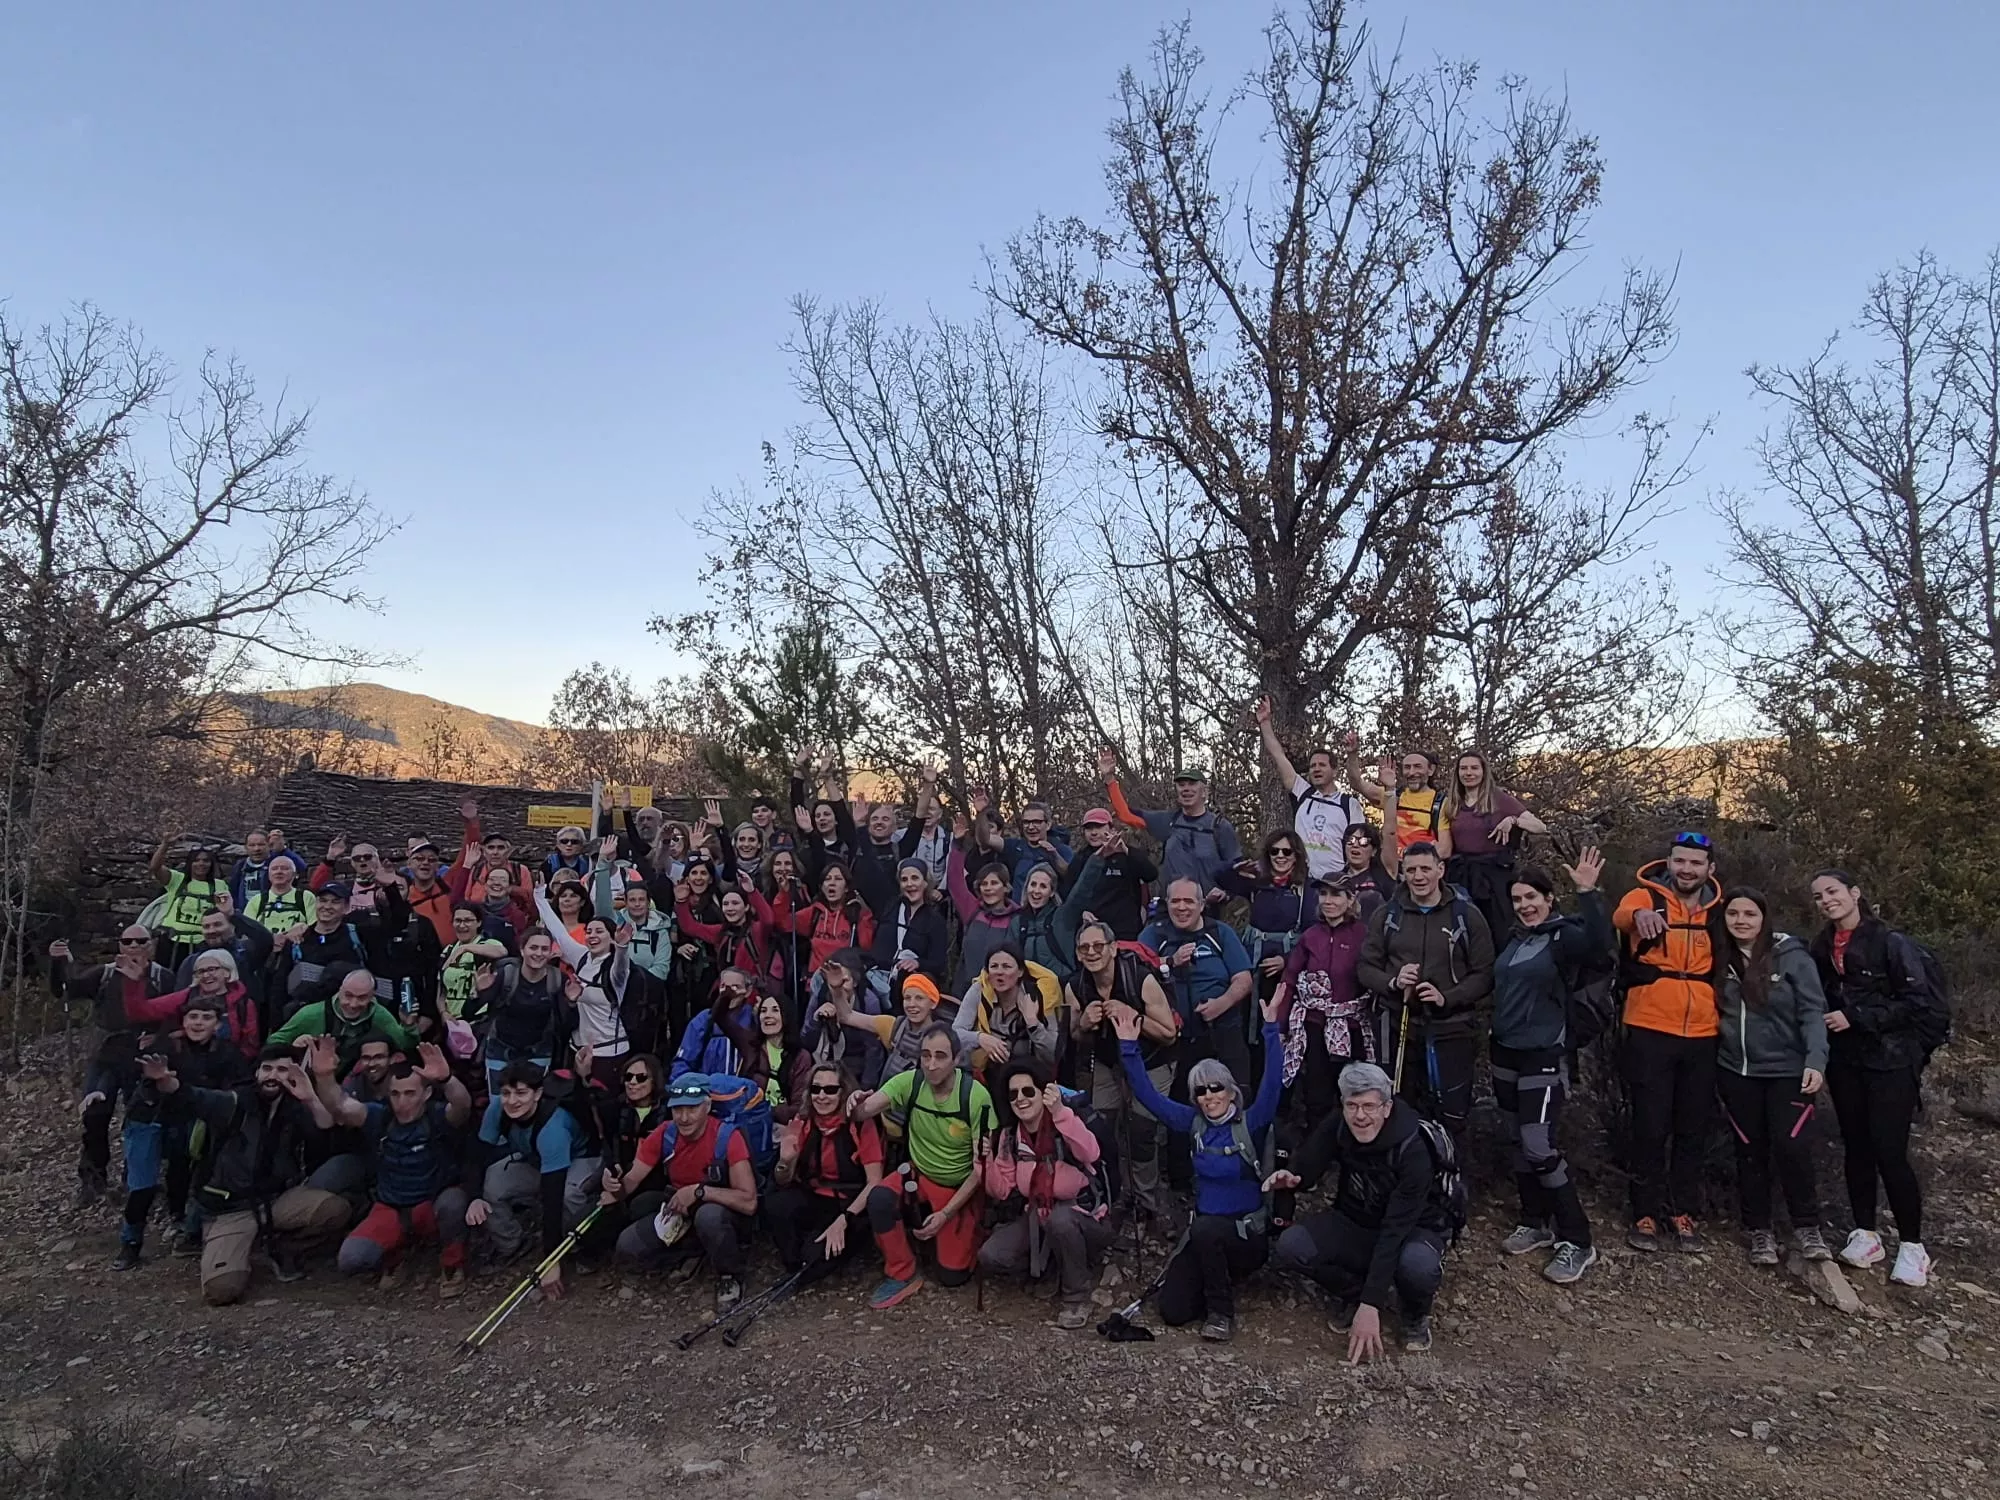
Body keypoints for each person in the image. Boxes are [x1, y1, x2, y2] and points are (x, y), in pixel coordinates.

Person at [1110, 989, 1283, 1341]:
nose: (1209, 1096)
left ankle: (1222, 1314)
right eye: (1200, 1091)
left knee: (1206, 1232)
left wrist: (1270, 1028)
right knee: (1173, 1312)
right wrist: (1129, 1047)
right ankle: (1213, 1278)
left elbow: (1273, 1084)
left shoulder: (1252, 1122)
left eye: (1216, 1087)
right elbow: (1149, 1096)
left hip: (1246, 1236)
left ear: (1232, 1092)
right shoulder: (1193, 1124)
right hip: (1204, 1232)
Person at [1267, 1061, 1451, 1358]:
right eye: (1352, 1106)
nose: (1360, 1116)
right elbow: (1310, 1162)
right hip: (1356, 1220)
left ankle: (1415, 1313)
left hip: (1411, 1230)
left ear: (1387, 1108)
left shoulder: (1414, 1150)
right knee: (1292, 1245)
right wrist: (1294, 1178)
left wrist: (1371, 1306)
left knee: (1417, 1265)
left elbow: (1394, 1232)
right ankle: (1354, 1292)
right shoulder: (1339, 1123)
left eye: (1369, 1106)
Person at [1489, 851, 1613, 1285]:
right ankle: (1535, 1222)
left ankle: (1578, 1240)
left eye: (1532, 897)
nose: (1525, 905)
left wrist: (1588, 892)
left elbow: (1602, 948)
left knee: (1538, 1146)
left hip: (1544, 1054)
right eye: (1518, 898)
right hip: (1505, 1052)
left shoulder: (1564, 937)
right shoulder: (1515, 939)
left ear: (1549, 897)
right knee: (1517, 1143)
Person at [1809, 869, 1936, 1287]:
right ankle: (1866, 1234)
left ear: (1855, 893)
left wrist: (1857, 1017)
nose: (1827, 900)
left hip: (1891, 1062)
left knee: (1889, 1150)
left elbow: (1916, 1003)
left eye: (1833, 891)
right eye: (1819, 896)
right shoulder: (1822, 945)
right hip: (1846, 1063)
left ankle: (1914, 1247)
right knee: (1857, 1147)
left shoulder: (1892, 942)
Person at [154, 1045, 351, 1302]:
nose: (272, 1076)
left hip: (275, 1201)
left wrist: (310, 1098)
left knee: (335, 1210)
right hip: (230, 1207)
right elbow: (195, 1097)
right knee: (222, 1290)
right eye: (267, 1068)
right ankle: (231, 1246)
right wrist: (166, 1082)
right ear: (256, 1072)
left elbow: (326, 1128)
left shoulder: (294, 1106)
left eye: (282, 1070)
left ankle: (279, 1249)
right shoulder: (235, 1103)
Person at [1612, 832, 1723, 1253]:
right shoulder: (1646, 896)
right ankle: (1644, 1211)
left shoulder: (1718, 910)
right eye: (1680, 861)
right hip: (1650, 1024)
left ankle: (1683, 1210)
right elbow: (1622, 915)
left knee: (1692, 1127)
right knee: (1650, 1125)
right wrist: (1638, 919)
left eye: (1695, 863)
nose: (1686, 870)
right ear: (1669, 862)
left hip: (1703, 1031)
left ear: (1709, 869)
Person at [1713, 887, 1832, 1267]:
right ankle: (1759, 1231)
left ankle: (1807, 1227)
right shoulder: (1717, 957)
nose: (1741, 921)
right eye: (1733, 914)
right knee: (1750, 1153)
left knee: (1792, 1147)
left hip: (1788, 1072)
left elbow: (1813, 1011)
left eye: (1749, 914)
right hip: (1737, 1071)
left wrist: (1816, 1059)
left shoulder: (1791, 956)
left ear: (1764, 917)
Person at [310, 1036, 475, 1296]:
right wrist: (324, 1077)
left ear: (427, 1094)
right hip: (391, 1205)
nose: (402, 1102)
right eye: (396, 1094)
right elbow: (340, 1106)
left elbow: (463, 1106)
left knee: (454, 1202)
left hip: (432, 1202)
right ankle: (395, 1257)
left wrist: (447, 1079)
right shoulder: (379, 1116)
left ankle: (452, 1263)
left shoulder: (438, 1117)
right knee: (352, 1259)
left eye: (410, 1094)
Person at [1356, 842, 1495, 1147]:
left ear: (1440, 870)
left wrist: (1449, 996)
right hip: (1397, 1025)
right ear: (1403, 873)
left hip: (1452, 1027)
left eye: (1425, 869)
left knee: (1452, 1113)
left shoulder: (1466, 915)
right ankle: (1405, 1175)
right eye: (1411, 870)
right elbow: (1366, 967)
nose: (1418, 877)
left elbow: (1485, 973)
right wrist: (1393, 982)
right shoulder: (1387, 915)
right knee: (1398, 1107)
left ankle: (1448, 1179)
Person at [849, 1023, 999, 1298]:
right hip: (919, 1174)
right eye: (925, 1055)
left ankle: (973, 1232)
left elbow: (981, 1170)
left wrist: (945, 1215)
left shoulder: (976, 1097)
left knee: (952, 1277)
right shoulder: (911, 1081)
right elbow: (864, 1111)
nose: (931, 1065)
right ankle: (901, 1270)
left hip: (959, 1188)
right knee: (879, 1198)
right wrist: (856, 1099)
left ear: (956, 1059)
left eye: (940, 1056)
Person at [113, 991, 253, 1267]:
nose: (198, 1023)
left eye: (206, 1017)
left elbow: (238, 1093)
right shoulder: (165, 1047)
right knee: (143, 1187)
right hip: (149, 1118)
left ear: (219, 1023)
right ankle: (130, 1243)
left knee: (198, 1169)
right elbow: (140, 1087)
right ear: (183, 1021)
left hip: (194, 1120)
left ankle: (186, 1227)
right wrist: (156, 1082)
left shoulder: (228, 1054)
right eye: (193, 1017)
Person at [604, 1071, 761, 1315]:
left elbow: (749, 1202)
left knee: (708, 1216)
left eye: (692, 1109)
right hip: (681, 1207)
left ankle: (730, 1275)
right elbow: (632, 1179)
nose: (684, 1118)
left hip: (722, 1211)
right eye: (678, 1110)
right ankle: (694, 1251)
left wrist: (699, 1192)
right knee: (628, 1247)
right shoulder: (666, 1133)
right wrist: (615, 1186)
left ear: (707, 1107)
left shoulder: (728, 1137)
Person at [52, 927, 180, 1206]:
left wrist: (160, 1038)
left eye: (141, 940)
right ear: (119, 945)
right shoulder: (104, 974)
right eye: (127, 941)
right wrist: (58, 962)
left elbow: (178, 1012)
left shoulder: (163, 977)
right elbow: (65, 990)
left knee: (140, 1120)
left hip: (144, 1060)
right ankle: (92, 1178)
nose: (134, 945)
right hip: (106, 1056)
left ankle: (135, 1179)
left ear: (152, 945)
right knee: (95, 1115)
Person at [978, 1061, 1111, 1328]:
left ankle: (1076, 1297)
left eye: (1028, 1091)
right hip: (1037, 1214)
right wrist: (985, 1162)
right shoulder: (1010, 1136)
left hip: (1085, 1216)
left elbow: (1091, 1153)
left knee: (1060, 1221)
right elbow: (1002, 1190)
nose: (1020, 1099)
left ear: (1043, 1092)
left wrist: (1060, 1112)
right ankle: (1051, 1269)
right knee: (990, 1254)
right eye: (1013, 1094)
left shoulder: (1065, 1122)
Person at [1066, 921, 1178, 1227]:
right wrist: (1084, 1025)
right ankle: (1115, 1194)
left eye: (1098, 946)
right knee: (1103, 1128)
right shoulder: (1075, 986)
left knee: (1142, 1129)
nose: (1092, 952)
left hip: (1151, 1061)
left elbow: (1169, 1034)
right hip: (1107, 1063)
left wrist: (1134, 1018)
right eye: (1084, 947)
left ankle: (1148, 1201)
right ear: (1077, 954)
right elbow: (1076, 1035)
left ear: (1113, 948)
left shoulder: (1139, 980)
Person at [464, 1061, 599, 1298]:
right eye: (506, 1093)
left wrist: (550, 1260)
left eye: (521, 1093)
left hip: (580, 1158)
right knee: (493, 1184)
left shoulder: (553, 1128)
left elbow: (552, 1195)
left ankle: (577, 1245)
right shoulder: (497, 1109)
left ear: (537, 1094)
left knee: (569, 1196)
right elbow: (477, 1156)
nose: (512, 1101)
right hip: (535, 1158)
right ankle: (513, 1244)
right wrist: (474, 1197)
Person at [765, 1062, 896, 1286]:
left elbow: (874, 1181)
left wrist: (844, 1220)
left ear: (843, 1092)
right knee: (775, 1203)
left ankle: (817, 1259)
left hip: (850, 1205)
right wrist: (785, 1161)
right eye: (816, 1089)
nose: (822, 1096)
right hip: (815, 1196)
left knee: (815, 1258)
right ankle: (796, 1264)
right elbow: (783, 1180)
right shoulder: (803, 1121)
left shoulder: (861, 1125)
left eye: (830, 1090)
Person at [1137, 877, 1256, 1099]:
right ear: (1167, 903)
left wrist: (1222, 1004)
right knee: (1180, 1105)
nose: (1182, 907)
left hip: (1220, 1031)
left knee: (1236, 1097)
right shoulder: (1155, 934)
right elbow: (1136, 972)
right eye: (1176, 901)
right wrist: (1170, 961)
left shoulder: (1220, 933)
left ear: (1201, 905)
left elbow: (1243, 979)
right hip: (1172, 1037)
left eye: (1189, 902)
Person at [1272, 877, 1372, 1128]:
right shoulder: (1310, 936)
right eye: (1324, 894)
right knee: (1317, 1095)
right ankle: (1318, 1154)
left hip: (1352, 1027)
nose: (1329, 901)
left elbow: (1374, 974)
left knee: (1353, 1091)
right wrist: (1280, 1025)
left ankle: (1352, 1153)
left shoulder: (1363, 935)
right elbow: (1290, 979)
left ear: (1350, 900)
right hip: (1314, 1025)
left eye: (1336, 895)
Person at [535, 883, 644, 1088]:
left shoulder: (616, 968)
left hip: (608, 1052)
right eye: (589, 931)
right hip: (577, 1048)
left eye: (599, 931)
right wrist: (539, 897)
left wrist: (621, 947)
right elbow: (558, 932)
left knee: (602, 1106)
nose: (592, 935)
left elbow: (621, 967)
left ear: (611, 938)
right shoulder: (583, 958)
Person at [1098, 750, 1242, 897]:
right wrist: (1109, 778)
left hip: (1208, 910)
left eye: (1192, 784)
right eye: (1181, 784)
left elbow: (1237, 869)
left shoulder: (1219, 827)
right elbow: (1125, 814)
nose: (1186, 789)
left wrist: (1226, 894)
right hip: (1170, 907)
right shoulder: (1169, 821)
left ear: (1204, 792)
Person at [1440, 750, 1548, 943]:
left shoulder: (1500, 799)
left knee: (1499, 931)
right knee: (1465, 931)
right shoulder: (1452, 804)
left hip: (1495, 878)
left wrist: (1513, 820)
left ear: (1483, 772)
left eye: (1474, 768)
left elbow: (1540, 827)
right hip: (1461, 876)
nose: (1469, 773)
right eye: (1463, 768)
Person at [1256, 699, 1367, 881]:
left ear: (1334, 770)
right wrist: (1265, 723)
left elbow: (1360, 847)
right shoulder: (1303, 793)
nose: (1316, 769)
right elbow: (1278, 756)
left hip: (1336, 882)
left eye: (1322, 765)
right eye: (1312, 765)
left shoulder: (1348, 804)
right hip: (1302, 880)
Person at [1218, 831, 1316, 1011]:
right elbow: (1220, 877)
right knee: (1251, 1014)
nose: (1280, 856)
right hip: (1255, 960)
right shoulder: (1256, 883)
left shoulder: (1307, 889)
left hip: (1288, 964)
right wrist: (1234, 869)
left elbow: (1313, 935)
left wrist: (1286, 960)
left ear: (1296, 856)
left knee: (1283, 1015)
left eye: (1287, 852)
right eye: (1274, 851)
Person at [269, 968, 419, 1077]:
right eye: (348, 995)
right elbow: (272, 1042)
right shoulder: (311, 1014)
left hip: (354, 1082)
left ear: (373, 997)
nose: (353, 1004)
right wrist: (293, 1047)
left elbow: (405, 1046)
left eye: (362, 998)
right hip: (310, 1079)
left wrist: (409, 1025)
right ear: (339, 991)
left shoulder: (380, 1016)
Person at [464, 931, 566, 1088]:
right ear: (522, 950)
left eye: (544, 949)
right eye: (533, 947)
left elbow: (566, 1023)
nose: (539, 953)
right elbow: (468, 1013)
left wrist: (571, 1003)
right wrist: (479, 992)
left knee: (530, 1104)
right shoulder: (506, 975)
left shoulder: (557, 979)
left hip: (538, 1051)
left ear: (550, 952)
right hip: (500, 1049)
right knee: (498, 1104)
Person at [956, 942, 1064, 1078]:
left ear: (1020, 972)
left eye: (1006, 967)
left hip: (1030, 1078)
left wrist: (1033, 1024)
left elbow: (1054, 1055)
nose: (1000, 972)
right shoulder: (979, 990)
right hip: (987, 1075)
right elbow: (954, 1034)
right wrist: (980, 1038)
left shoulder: (1039, 995)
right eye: (994, 967)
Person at [823, 964, 939, 1086]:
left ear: (933, 1002)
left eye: (919, 998)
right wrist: (836, 989)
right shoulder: (892, 1026)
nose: (912, 1004)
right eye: (907, 998)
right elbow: (846, 1016)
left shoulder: (943, 1037)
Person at [946, 829, 1024, 993]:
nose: (988, 888)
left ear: (1006, 887)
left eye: (994, 883)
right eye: (984, 884)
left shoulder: (1018, 917)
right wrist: (958, 845)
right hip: (966, 989)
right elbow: (955, 882)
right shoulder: (972, 910)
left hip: (1001, 992)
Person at [775, 862, 875, 983]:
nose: (832, 883)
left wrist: (862, 916)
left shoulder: (857, 914)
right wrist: (784, 894)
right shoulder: (814, 913)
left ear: (847, 887)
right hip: (815, 982)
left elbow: (866, 947)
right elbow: (782, 923)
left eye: (838, 879)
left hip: (844, 983)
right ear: (822, 887)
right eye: (827, 879)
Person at [1350, 746, 1441, 876]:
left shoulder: (1441, 803)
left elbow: (1445, 848)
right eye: (1407, 767)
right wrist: (1352, 753)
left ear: (1430, 770)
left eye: (1417, 767)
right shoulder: (1393, 795)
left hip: (1422, 872)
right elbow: (1356, 783)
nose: (1411, 772)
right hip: (1391, 870)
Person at [1066, 812, 1155, 941]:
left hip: (1125, 931)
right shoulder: (1080, 858)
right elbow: (1069, 892)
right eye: (1089, 828)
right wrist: (1081, 913)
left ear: (1111, 829)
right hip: (1092, 931)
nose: (1094, 833)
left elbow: (1151, 874)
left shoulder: (1127, 854)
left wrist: (1125, 850)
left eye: (1099, 827)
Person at [867, 859, 950, 985]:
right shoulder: (889, 909)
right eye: (904, 880)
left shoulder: (935, 921)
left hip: (910, 984)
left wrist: (917, 962)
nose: (909, 884)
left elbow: (938, 963)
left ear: (925, 883)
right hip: (877, 977)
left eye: (915, 878)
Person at [148, 840, 227, 967]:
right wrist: (165, 844)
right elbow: (155, 867)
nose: (201, 864)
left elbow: (225, 911)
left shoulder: (220, 885)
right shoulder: (177, 880)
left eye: (206, 860)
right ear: (190, 863)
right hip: (172, 943)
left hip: (203, 945)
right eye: (196, 860)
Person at [245, 853, 316, 933]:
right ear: (268, 875)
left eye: (284, 868)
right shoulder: (256, 900)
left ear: (295, 874)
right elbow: (247, 930)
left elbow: (315, 927)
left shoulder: (306, 897)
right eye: (274, 869)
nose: (279, 872)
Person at [1339, 824, 1395, 913]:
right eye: (1351, 840)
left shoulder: (1383, 879)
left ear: (1374, 851)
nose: (1356, 845)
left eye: (1364, 842)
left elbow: (1390, 833)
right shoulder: (1336, 880)